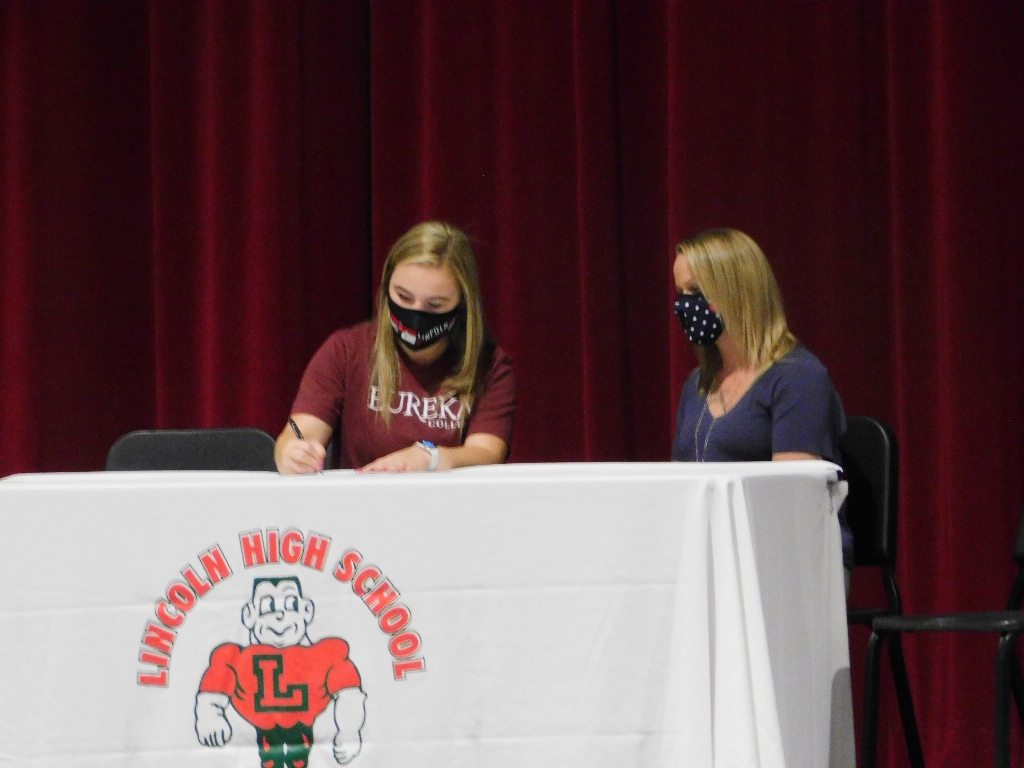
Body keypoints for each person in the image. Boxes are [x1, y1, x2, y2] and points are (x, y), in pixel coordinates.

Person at [670, 228, 852, 584]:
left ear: (735, 291)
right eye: (680, 293)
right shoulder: (697, 385)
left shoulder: (798, 378)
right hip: (714, 560)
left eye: (696, 292)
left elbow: (794, 501)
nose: (684, 306)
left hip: (794, 564)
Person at [276, 221, 515, 473]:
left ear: (463, 304)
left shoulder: (490, 367)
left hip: (448, 498)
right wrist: (291, 453)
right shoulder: (345, 351)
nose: (416, 312)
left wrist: (429, 457)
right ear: (386, 287)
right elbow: (298, 434)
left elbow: (487, 453)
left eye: (434, 305)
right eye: (403, 297)